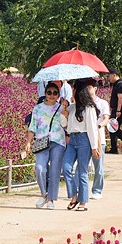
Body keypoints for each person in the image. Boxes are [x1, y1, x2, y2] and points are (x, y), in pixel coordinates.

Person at [25, 82, 67, 209]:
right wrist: (28, 142)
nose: (52, 95)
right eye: (49, 92)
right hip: (41, 142)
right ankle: (43, 194)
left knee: (55, 170)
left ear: (59, 95)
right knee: (39, 168)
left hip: (58, 141)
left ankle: (51, 199)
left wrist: (65, 110)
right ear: (45, 93)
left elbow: (65, 125)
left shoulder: (61, 108)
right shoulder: (37, 108)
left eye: (55, 93)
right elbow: (32, 127)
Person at [62, 81, 101, 211]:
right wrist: (65, 110)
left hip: (84, 139)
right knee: (66, 167)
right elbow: (64, 125)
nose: (72, 92)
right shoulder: (72, 107)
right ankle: (74, 196)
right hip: (72, 139)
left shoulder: (89, 108)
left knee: (82, 171)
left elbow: (92, 128)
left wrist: (94, 147)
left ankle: (83, 201)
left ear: (79, 92)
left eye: (74, 89)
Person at [90, 89, 110, 199]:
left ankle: (97, 190)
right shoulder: (82, 103)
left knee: (99, 166)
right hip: (85, 138)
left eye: (90, 87)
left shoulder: (102, 103)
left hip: (99, 139)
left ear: (95, 88)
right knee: (81, 166)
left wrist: (98, 126)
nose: (88, 89)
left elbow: (106, 118)